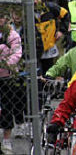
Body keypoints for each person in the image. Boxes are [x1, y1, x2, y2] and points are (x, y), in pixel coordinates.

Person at [0, 13, 23, 154]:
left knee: (7, 108)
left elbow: (16, 54)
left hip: (7, 76)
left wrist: (5, 65)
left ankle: (7, 139)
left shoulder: (12, 35)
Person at [34, 0, 70, 74]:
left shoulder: (51, 7)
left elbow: (65, 15)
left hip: (49, 47)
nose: (35, 2)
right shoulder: (28, 10)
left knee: (48, 73)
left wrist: (61, 31)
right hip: (35, 48)